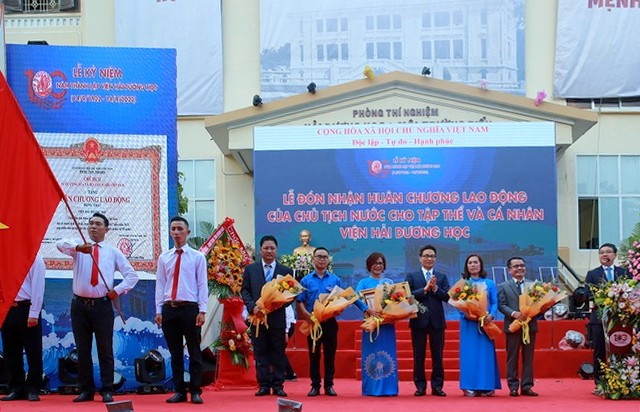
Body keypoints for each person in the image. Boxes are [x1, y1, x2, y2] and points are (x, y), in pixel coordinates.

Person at [56, 212, 139, 403]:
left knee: (105, 349)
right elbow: (60, 245)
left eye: (98, 224)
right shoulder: (79, 247)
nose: (93, 226)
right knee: (82, 349)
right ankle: (86, 389)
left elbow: (132, 276)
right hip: (79, 306)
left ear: (106, 229)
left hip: (102, 306)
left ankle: (107, 389)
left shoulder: (113, 253)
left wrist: (117, 291)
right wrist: (78, 247)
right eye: (91, 223)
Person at [155, 216, 208, 404]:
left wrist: (203, 311)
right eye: (173, 229)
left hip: (190, 309)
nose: (176, 232)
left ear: (188, 232)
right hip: (170, 309)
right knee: (175, 352)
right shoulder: (164, 257)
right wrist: (158, 310)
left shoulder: (198, 257)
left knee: (194, 351)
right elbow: (160, 285)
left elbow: (203, 284)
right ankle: (179, 390)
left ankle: (195, 391)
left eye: (180, 229)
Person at [241, 235, 292, 397]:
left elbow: (292, 295)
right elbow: (245, 291)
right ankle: (263, 384)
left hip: (277, 318)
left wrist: (277, 305)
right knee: (261, 352)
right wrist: (252, 307)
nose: (269, 251)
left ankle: (278, 385)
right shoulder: (251, 269)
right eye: (266, 248)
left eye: (272, 248)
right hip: (257, 318)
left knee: (278, 352)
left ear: (276, 250)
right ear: (260, 250)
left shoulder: (285, 271)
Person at [404, 245, 450, 397]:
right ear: (420, 258)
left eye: (432, 256)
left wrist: (435, 288)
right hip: (418, 321)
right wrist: (424, 289)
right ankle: (420, 386)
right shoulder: (412, 276)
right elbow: (407, 296)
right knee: (419, 355)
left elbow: (448, 297)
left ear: (435, 259)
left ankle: (437, 386)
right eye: (426, 256)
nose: (429, 258)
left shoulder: (442, 276)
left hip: (437, 322)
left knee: (438, 356)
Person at [297, 247, 342, 397]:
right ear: (313, 260)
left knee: (330, 356)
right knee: (314, 355)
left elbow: (341, 300)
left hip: (330, 323)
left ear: (328, 260)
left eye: (324, 257)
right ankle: (315, 386)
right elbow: (300, 301)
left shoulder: (335, 279)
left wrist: (339, 309)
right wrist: (305, 314)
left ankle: (329, 385)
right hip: (313, 323)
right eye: (319, 257)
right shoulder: (306, 280)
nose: (322, 259)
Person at [0, 254, 45, 402]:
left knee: (33, 350)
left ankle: (33, 388)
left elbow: (38, 286)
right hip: (8, 308)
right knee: (11, 351)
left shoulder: (34, 257)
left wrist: (34, 313)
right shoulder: (5, 257)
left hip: (27, 308)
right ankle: (16, 387)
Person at [458, 254, 501, 397]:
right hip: (468, 324)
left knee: (485, 354)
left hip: (485, 322)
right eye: (470, 263)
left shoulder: (490, 283)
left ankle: (487, 386)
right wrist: (467, 314)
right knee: (469, 354)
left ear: (480, 265)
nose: (473, 265)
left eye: (475, 262)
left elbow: (494, 303)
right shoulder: (463, 284)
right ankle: (469, 386)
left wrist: (491, 315)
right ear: (467, 266)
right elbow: (457, 304)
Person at [586, 243, 627, 388]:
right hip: (599, 318)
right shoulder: (593, 274)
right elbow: (587, 294)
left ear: (615, 255)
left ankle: (622, 378)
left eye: (608, 252)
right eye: (602, 252)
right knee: (600, 349)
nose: (605, 255)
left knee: (621, 347)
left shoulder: (623, 272)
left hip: (620, 318)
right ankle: (600, 382)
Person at [355, 252, 396, 396]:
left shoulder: (389, 283)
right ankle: (372, 388)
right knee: (372, 354)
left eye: (380, 263)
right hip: (371, 324)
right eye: (375, 263)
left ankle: (388, 388)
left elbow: (397, 300)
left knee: (388, 354)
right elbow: (355, 298)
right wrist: (368, 309)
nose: (378, 266)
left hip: (387, 325)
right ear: (369, 265)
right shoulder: (363, 282)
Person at [498, 257, 538, 397]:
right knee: (512, 357)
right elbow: (501, 305)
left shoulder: (533, 286)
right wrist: (514, 313)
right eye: (516, 266)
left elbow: (540, 305)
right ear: (509, 270)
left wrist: (533, 313)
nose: (520, 268)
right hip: (512, 326)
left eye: (522, 265)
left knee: (528, 357)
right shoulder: (503, 286)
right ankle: (513, 386)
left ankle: (527, 386)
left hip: (530, 326)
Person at [284, 305, 298, 381]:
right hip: (285, 325)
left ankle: (290, 373)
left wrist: (286, 331)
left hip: (287, 325)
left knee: (279, 350)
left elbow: (288, 316)